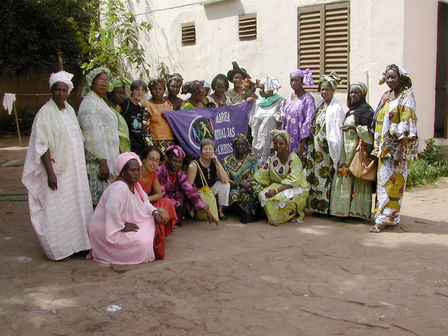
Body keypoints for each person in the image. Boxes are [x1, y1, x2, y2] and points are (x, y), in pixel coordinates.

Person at [22, 71, 92, 260]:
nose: (61, 94)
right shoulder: (45, 113)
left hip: (75, 171)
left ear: (68, 91)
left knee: (77, 206)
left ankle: (79, 244)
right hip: (58, 171)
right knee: (58, 208)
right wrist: (51, 173)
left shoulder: (68, 110)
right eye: (57, 90)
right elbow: (42, 145)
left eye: (64, 90)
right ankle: (59, 249)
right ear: (52, 91)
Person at [88, 152, 163, 265]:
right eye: (132, 170)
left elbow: (145, 201)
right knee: (143, 243)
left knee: (151, 224)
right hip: (107, 228)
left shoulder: (134, 184)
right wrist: (121, 226)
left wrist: (155, 211)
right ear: (123, 172)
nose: (137, 173)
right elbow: (111, 208)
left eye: (138, 170)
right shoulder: (120, 187)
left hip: (119, 223)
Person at [370, 64, 417, 233]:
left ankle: (385, 219)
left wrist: (399, 150)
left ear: (401, 78)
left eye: (393, 77)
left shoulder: (406, 97)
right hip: (384, 149)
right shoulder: (386, 95)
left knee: (394, 184)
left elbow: (406, 124)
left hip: (397, 150)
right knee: (383, 183)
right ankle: (385, 216)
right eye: (388, 77)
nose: (389, 80)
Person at [329, 82, 374, 219]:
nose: (352, 95)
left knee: (356, 179)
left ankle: (356, 212)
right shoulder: (351, 110)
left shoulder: (366, 111)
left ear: (363, 95)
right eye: (351, 92)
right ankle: (343, 211)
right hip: (345, 151)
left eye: (356, 92)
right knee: (344, 176)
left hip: (357, 151)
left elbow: (370, 134)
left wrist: (353, 128)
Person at [304, 72, 345, 215]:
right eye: (322, 89)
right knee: (314, 176)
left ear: (333, 90)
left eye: (327, 89)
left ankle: (324, 208)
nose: (324, 92)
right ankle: (315, 206)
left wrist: (335, 151)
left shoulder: (336, 109)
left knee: (324, 177)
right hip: (315, 149)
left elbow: (336, 133)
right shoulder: (320, 105)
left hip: (326, 150)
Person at [78, 67, 120, 206]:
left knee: (108, 198)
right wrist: (103, 162)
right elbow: (92, 135)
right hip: (99, 161)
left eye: (106, 80)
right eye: (100, 80)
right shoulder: (89, 103)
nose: (104, 83)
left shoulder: (100, 101)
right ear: (92, 82)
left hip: (109, 157)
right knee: (100, 200)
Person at [254, 130, 309, 225]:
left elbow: (293, 181)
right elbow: (263, 173)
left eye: (281, 143)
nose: (278, 146)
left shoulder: (293, 158)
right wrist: (249, 179)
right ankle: (274, 215)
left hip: (293, 187)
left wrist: (275, 191)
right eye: (275, 143)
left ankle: (291, 213)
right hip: (278, 185)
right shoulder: (272, 158)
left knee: (278, 199)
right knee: (262, 195)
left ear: (287, 145)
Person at [157, 145, 218, 225]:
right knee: (172, 200)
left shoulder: (180, 173)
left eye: (180, 162)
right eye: (174, 161)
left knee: (182, 195)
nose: (177, 164)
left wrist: (207, 211)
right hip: (160, 201)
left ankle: (176, 222)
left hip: (173, 200)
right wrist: (174, 202)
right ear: (168, 159)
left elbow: (191, 191)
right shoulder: (160, 171)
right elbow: (161, 194)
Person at [187, 138, 230, 220]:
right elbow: (188, 187)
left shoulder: (214, 162)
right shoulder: (194, 164)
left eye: (210, 149)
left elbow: (225, 180)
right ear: (201, 150)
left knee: (225, 185)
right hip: (199, 191)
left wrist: (217, 162)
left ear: (214, 151)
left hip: (210, 189)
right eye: (205, 149)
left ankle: (220, 211)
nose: (207, 151)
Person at [139, 146, 178, 236]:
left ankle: (159, 234)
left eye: (157, 161)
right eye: (151, 159)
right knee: (160, 209)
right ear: (144, 159)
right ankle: (155, 235)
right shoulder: (135, 173)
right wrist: (155, 208)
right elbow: (134, 201)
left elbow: (160, 194)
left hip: (145, 203)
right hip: (135, 207)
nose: (154, 163)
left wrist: (146, 199)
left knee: (167, 202)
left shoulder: (152, 173)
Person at [222, 134, 260, 222]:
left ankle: (255, 211)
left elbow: (257, 176)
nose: (240, 146)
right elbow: (226, 182)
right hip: (235, 188)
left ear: (246, 146)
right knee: (233, 195)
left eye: (242, 144)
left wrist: (246, 187)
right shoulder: (226, 161)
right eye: (237, 144)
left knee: (259, 191)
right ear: (233, 146)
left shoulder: (252, 159)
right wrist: (239, 185)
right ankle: (243, 212)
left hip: (250, 186)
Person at [281, 68, 316, 158]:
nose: (293, 83)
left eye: (296, 80)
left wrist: (301, 145)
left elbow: (308, 122)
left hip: (299, 140)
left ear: (302, 82)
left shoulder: (308, 99)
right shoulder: (288, 98)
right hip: (287, 138)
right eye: (291, 80)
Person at [250, 75, 284, 165]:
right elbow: (252, 122)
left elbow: (281, 124)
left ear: (268, 88)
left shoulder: (280, 102)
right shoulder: (258, 102)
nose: (259, 90)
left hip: (270, 144)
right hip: (256, 143)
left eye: (261, 88)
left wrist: (275, 142)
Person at [143, 78, 175, 154]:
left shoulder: (169, 104)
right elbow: (145, 127)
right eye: (155, 89)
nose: (158, 91)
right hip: (155, 143)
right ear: (150, 90)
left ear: (164, 90)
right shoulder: (147, 105)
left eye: (160, 89)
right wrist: (150, 145)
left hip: (170, 142)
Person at [122, 80, 151, 154]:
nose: (140, 92)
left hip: (139, 149)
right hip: (127, 147)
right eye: (137, 90)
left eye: (142, 90)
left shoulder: (141, 108)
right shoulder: (125, 104)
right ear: (132, 90)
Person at [106, 77, 131, 153]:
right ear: (111, 93)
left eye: (123, 93)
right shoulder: (108, 111)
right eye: (119, 93)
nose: (121, 96)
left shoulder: (116, 111)